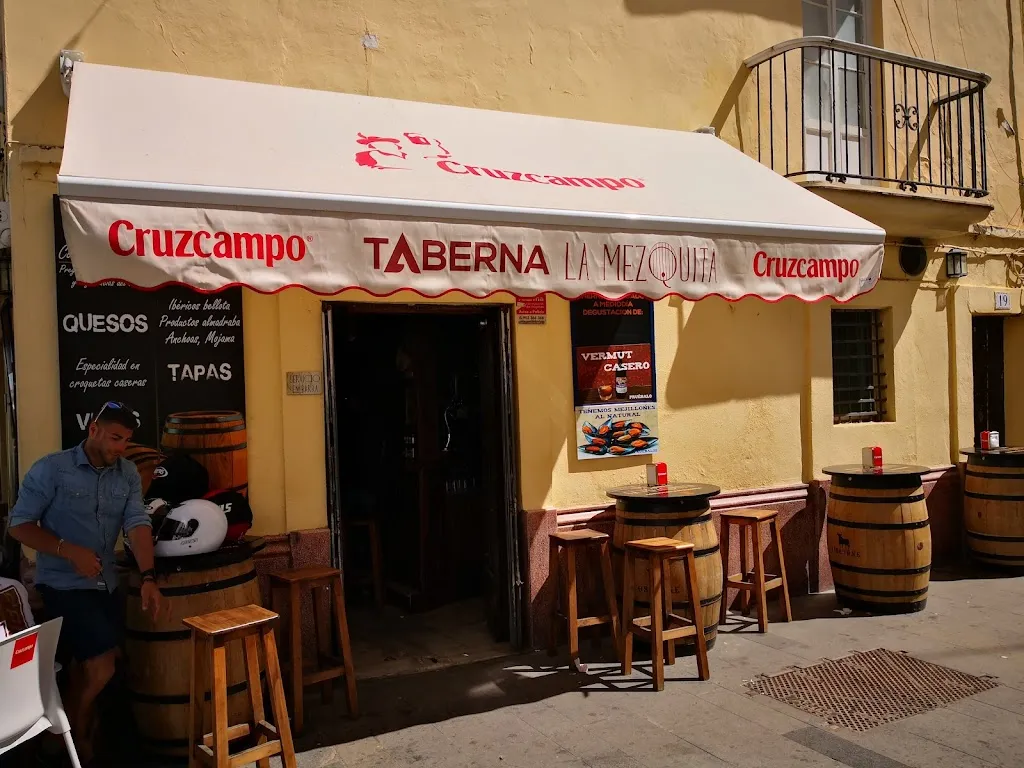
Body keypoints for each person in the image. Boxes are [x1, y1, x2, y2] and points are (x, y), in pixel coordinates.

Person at [8, 400, 165, 763]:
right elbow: (19, 525)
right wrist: (68, 550)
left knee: (90, 665)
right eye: (114, 438)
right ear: (93, 429)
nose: (120, 447)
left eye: (125, 440)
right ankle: (75, 740)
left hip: (106, 584)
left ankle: (72, 733)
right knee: (102, 664)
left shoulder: (126, 473)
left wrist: (149, 577)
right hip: (62, 584)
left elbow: (137, 524)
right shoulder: (52, 469)